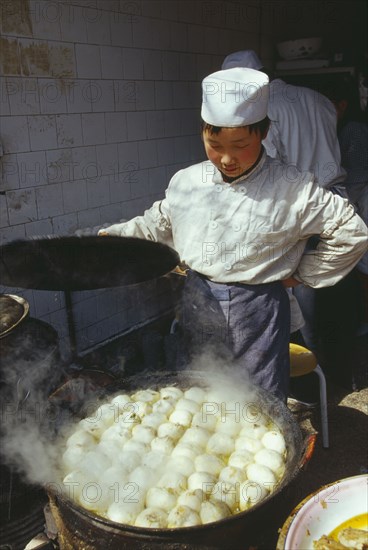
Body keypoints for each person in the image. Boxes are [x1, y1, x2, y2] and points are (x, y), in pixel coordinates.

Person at [99, 68, 368, 403]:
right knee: (199, 394)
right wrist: (112, 238)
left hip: (257, 310)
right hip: (198, 300)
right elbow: (158, 222)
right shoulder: (188, 181)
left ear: (265, 133)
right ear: (202, 133)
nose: (226, 158)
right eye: (214, 144)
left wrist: (302, 274)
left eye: (240, 145)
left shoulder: (292, 187)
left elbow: (352, 232)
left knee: (256, 402)